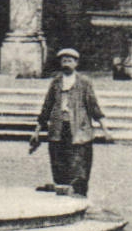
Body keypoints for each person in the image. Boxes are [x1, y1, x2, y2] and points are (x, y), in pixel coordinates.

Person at [28, 48, 110, 197]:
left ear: (76, 63)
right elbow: (46, 107)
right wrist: (37, 131)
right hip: (58, 130)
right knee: (59, 163)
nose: (66, 63)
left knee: (79, 165)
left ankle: (79, 196)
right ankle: (62, 197)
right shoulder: (56, 82)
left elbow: (94, 106)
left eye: (70, 60)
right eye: (64, 60)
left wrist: (105, 129)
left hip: (79, 131)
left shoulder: (84, 83)